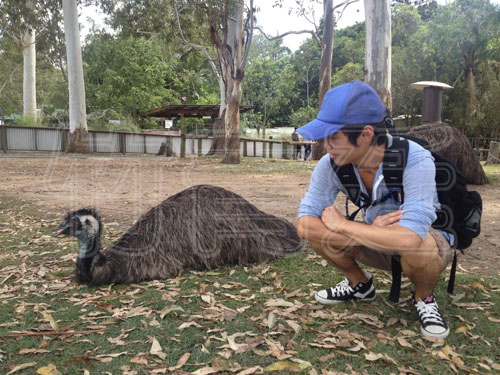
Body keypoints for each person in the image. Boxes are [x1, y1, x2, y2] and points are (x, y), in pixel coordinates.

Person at [296, 81, 453, 339]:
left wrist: (346, 226)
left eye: (333, 138)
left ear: (366, 134)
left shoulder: (414, 159)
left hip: (427, 244)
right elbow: (304, 224)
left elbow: (410, 237)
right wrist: (368, 231)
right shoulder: (331, 164)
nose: (326, 147)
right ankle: (359, 285)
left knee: (418, 245)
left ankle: (424, 298)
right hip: (374, 237)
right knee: (317, 232)